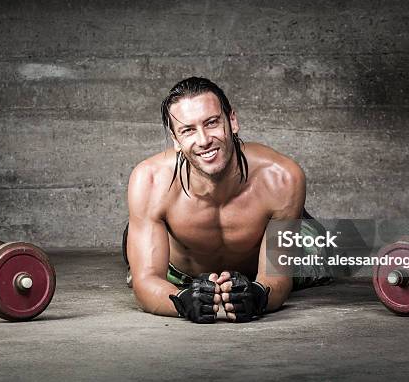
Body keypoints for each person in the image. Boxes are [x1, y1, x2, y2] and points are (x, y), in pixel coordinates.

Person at [124, 77, 332, 323]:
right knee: (134, 245)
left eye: (211, 123)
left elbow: (277, 278)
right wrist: (182, 301)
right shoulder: (149, 180)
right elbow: (146, 281)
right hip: (182, 272)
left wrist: (259, 295)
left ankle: (294, 221)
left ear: (232, 121)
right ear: (175, 139)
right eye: (188, 130)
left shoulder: (282, 176)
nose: (204, 140)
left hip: (257, 266)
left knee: (327, 251)